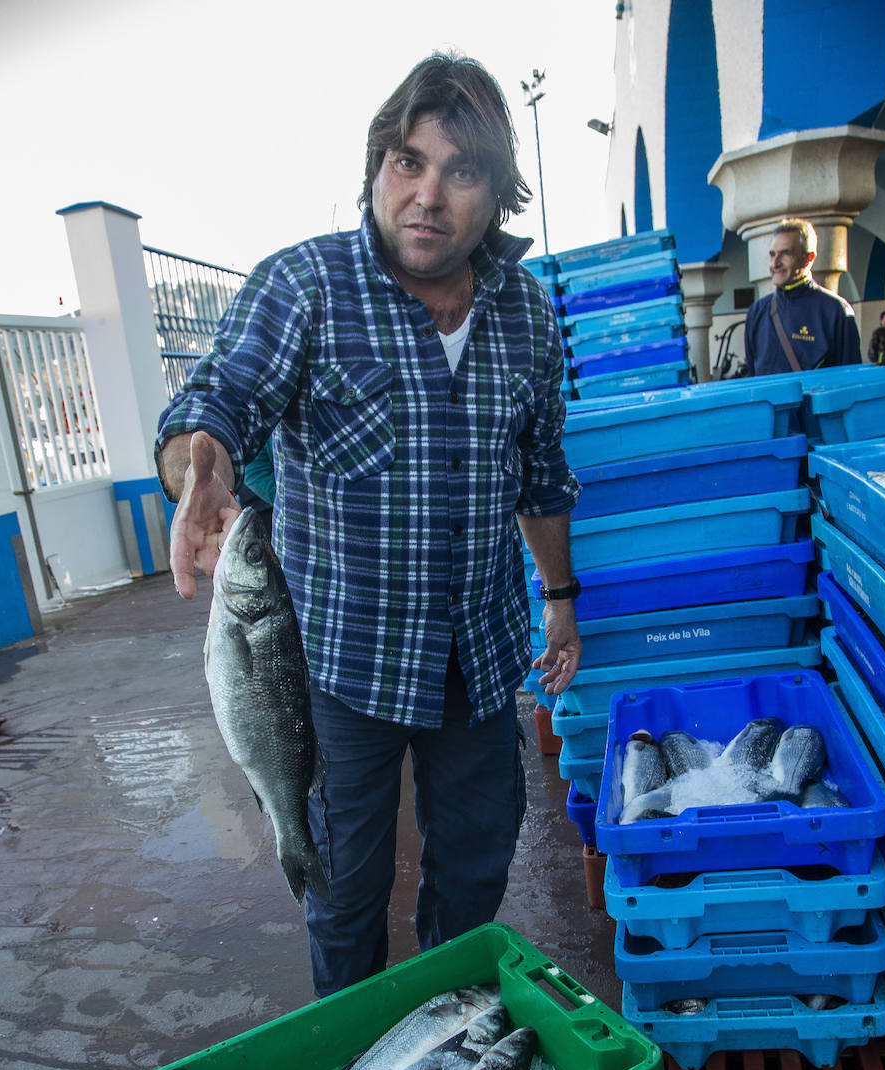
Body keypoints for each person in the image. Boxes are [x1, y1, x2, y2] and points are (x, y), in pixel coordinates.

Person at [154, 53, 582, 999]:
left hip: (482, 652)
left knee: (473, 872)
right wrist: (201, 475)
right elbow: (215, 401)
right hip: (345, 666)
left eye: (460, 172)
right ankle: (353, 1060)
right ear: (376, 167)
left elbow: (542, 476)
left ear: (496, 193)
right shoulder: (306, 287)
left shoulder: (529, 317)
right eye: (405, 162)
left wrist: (560, 600)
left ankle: (443, 1033)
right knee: (344, 890)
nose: (426, 195)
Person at [744, 217, 861, 375]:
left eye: (785, 254)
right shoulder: (757, 312)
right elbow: (753, 379)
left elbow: (850, 382)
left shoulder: (836, 312)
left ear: (808, 258)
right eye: (772, 255)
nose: (775, 263)